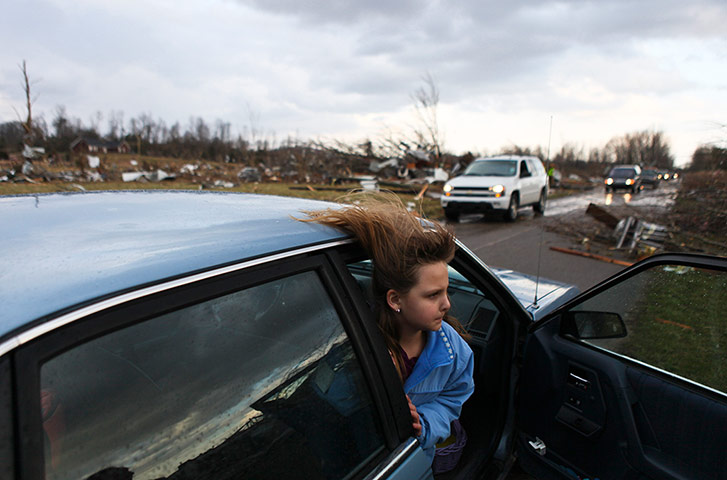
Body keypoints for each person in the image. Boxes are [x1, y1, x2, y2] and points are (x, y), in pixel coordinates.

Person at [300, 193, 475, 462]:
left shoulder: (455, 352)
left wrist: (425, 423)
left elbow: (454, 398)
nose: (447, 304)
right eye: (432, 295)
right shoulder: (356, 342)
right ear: (395, 299)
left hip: (418, 458)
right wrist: (361, 375)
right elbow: (330, 399)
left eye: (446, 291)